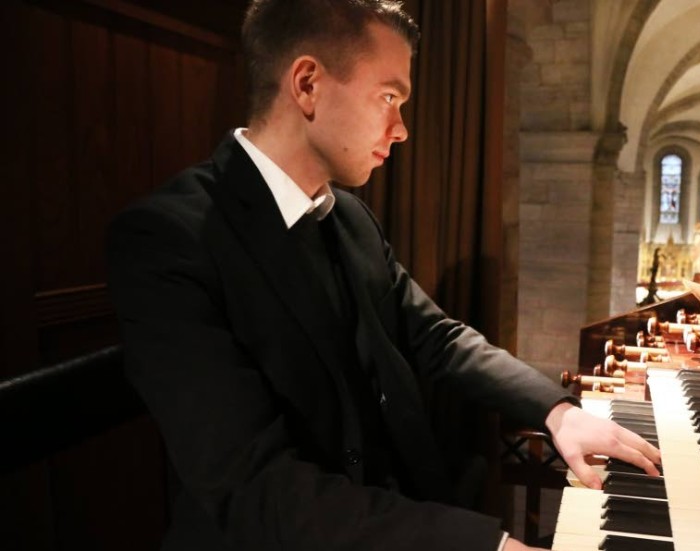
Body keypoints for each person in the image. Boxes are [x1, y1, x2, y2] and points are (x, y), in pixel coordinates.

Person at [107, 1, 661, 550]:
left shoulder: (347, 216)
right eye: (389, 97)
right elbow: (254, 486)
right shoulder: (168, 238)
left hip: (392, 516)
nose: (400, 130)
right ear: (307, 85)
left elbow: (436, 337)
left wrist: (555, 411)